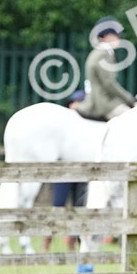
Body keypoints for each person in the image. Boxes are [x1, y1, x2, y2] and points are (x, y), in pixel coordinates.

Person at [44, 90, 89, 252]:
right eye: (74, 103)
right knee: (58, 206)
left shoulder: (87, 127)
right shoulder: (62, 127)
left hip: (82, 170)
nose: (76, 106)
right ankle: (47, 240)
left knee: (79, 207)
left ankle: (73, 242)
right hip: (64, 170)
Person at [75, 19, 136, 121]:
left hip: (100, 100)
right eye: (117, 35)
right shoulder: (103, 54)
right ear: (107, 36)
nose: (119, 39)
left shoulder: (98, 52)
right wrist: (129, 98)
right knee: (134, 118)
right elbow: (109, 84)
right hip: (103, 104)